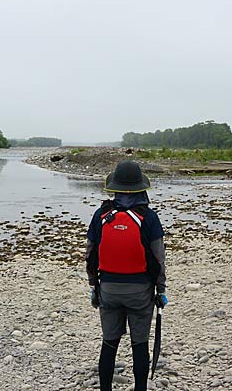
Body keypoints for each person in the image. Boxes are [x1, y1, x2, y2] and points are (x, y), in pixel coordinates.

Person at [85, 160, 168, 391]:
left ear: (115, 188)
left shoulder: (101, 215)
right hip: (140, 293)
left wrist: (94, 287)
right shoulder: (149, 217)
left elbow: (90, 253)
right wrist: (160, 291)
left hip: (108, 290)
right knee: (139, 345)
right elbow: (159, 258)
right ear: (141, 188)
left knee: (109, 344)